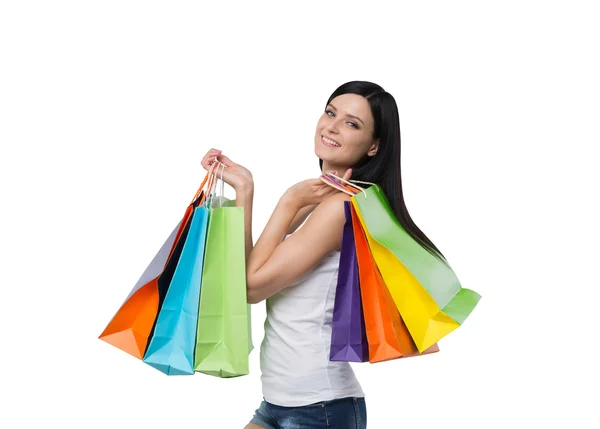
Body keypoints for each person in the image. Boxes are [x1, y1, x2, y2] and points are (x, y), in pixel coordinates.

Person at [200, 81, 445, 429]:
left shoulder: (337, 209)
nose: (331, 125)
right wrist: (244, 189)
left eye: (352, 123)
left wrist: (288, 201)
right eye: (331, 112)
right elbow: (250, 272)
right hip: (276, 403)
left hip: (320, 410)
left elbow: (251, 290)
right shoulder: (319, 198)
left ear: (374, 147)